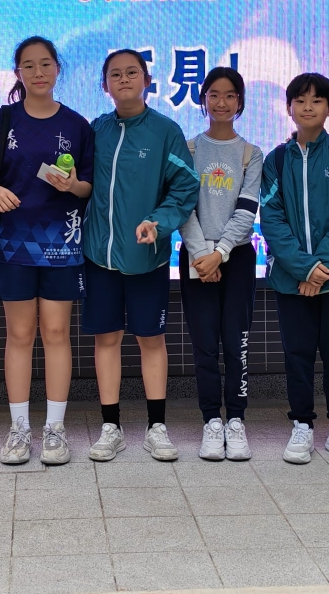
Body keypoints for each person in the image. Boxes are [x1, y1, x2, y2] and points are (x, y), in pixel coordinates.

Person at [0, 37, 94, 466]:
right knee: (20, 335)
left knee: (57, 334)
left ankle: (55, 430)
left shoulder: (77, 125)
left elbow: (88, 187)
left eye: (46, 64)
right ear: (18, 73)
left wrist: (72, 185)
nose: (38, 72)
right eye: (29, 65)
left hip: (62, 244)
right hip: (13, 244)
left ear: (58, 69)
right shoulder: (1, 120)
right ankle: (19, 429)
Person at [82, 49, 200, 462]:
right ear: (105, 85)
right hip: (99, 256)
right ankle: (110, 427)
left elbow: (185, 187)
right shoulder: (95, 131)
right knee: (107, 339)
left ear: (148, 80)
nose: (124, 79)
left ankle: (157, 427)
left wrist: (158, 222)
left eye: (132, 72)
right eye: (115, 74)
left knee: (151, 338)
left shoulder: (165, 131)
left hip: (147, 256)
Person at [260, 73, 329, 465]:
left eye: (317, 100)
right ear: (289, 107)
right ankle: (302, 425)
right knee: (298, 354)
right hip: (291, 281)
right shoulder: (276, 160)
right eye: (300, 100)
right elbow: (272, 219)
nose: (308, 107)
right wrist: (305, 270)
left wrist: (322, 268)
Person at [178, 67, 262, 461]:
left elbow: (247, 209)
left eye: (230, 95)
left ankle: (236, 420)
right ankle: (212, 420)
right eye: (214, 94)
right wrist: (201, 254)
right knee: (205, 343)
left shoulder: (250, 153)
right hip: (197, 257)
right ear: (203, 99)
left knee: (235, 341)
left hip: (237, 256)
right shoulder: (189, 149)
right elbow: (183, 205)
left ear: (240, 102)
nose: (221, 102)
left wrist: (220, 252)